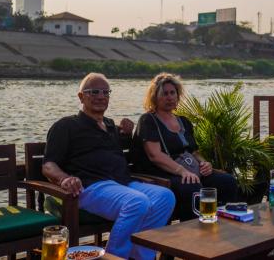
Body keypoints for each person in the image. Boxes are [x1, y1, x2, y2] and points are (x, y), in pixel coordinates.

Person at [42, 73, 175, 260]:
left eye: (105, 92)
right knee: (137, 202)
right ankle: (114, 256)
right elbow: (48, 165)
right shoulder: (66, 125)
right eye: (93, 92)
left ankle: (141, 256)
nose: (101, 96)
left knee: (165, 197)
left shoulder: (110, 126)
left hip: (122, 183)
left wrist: (127, 134)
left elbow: (119, 152)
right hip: (90, 186)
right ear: (81, 97)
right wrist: (65, 178)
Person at [132, 73, 237, 221]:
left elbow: (193, 151)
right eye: (165, 94)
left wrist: (204, 163)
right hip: (161, 174)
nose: (169, 97)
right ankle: (192, 233)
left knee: (227, 181)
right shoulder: (148, 120)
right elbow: (155, 155)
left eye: (172, 93)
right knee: (191, 188)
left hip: (189, 171)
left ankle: (220, 224)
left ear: (178, 95)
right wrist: (182, 171)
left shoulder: (184, 121)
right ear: (155, 97)